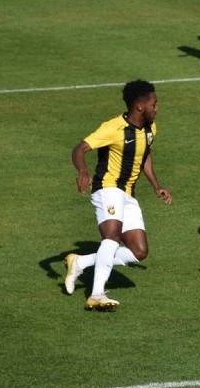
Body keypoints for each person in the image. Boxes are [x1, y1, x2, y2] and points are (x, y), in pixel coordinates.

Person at [65, 80, 173, 310]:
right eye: (154, 103)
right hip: (107, 188)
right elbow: (79, 149)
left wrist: (156, 185)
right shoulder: (112, 128)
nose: (157, 108)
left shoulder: (151, 128)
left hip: (128, 194)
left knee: (139, 251)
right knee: (111, 238)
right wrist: (83, 171)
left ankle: (80, 262)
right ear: (140, 106)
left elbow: (144, 156)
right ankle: (96, 294)